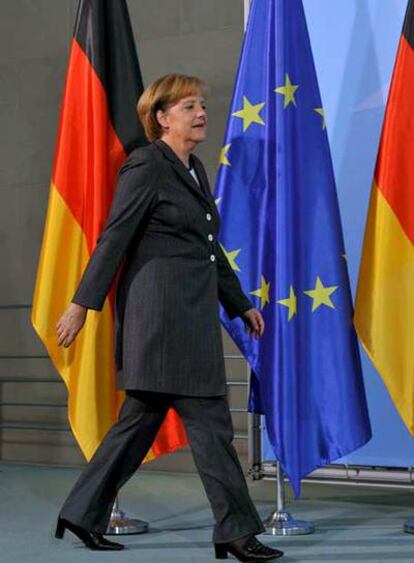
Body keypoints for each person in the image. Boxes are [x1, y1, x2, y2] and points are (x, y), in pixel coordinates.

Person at [54, 74, 283, 561]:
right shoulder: (147, 165)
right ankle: (236, 532)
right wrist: (82, 303)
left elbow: (208, 248)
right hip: (164, 324)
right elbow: (114, 237)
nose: (201, 113)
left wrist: (239, 303)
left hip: (187, 319)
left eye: (201, 105)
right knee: (212, 427)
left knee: (137, 427)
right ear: (161, 118)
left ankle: (80, 511)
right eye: (188, 107)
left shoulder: (193, 168)